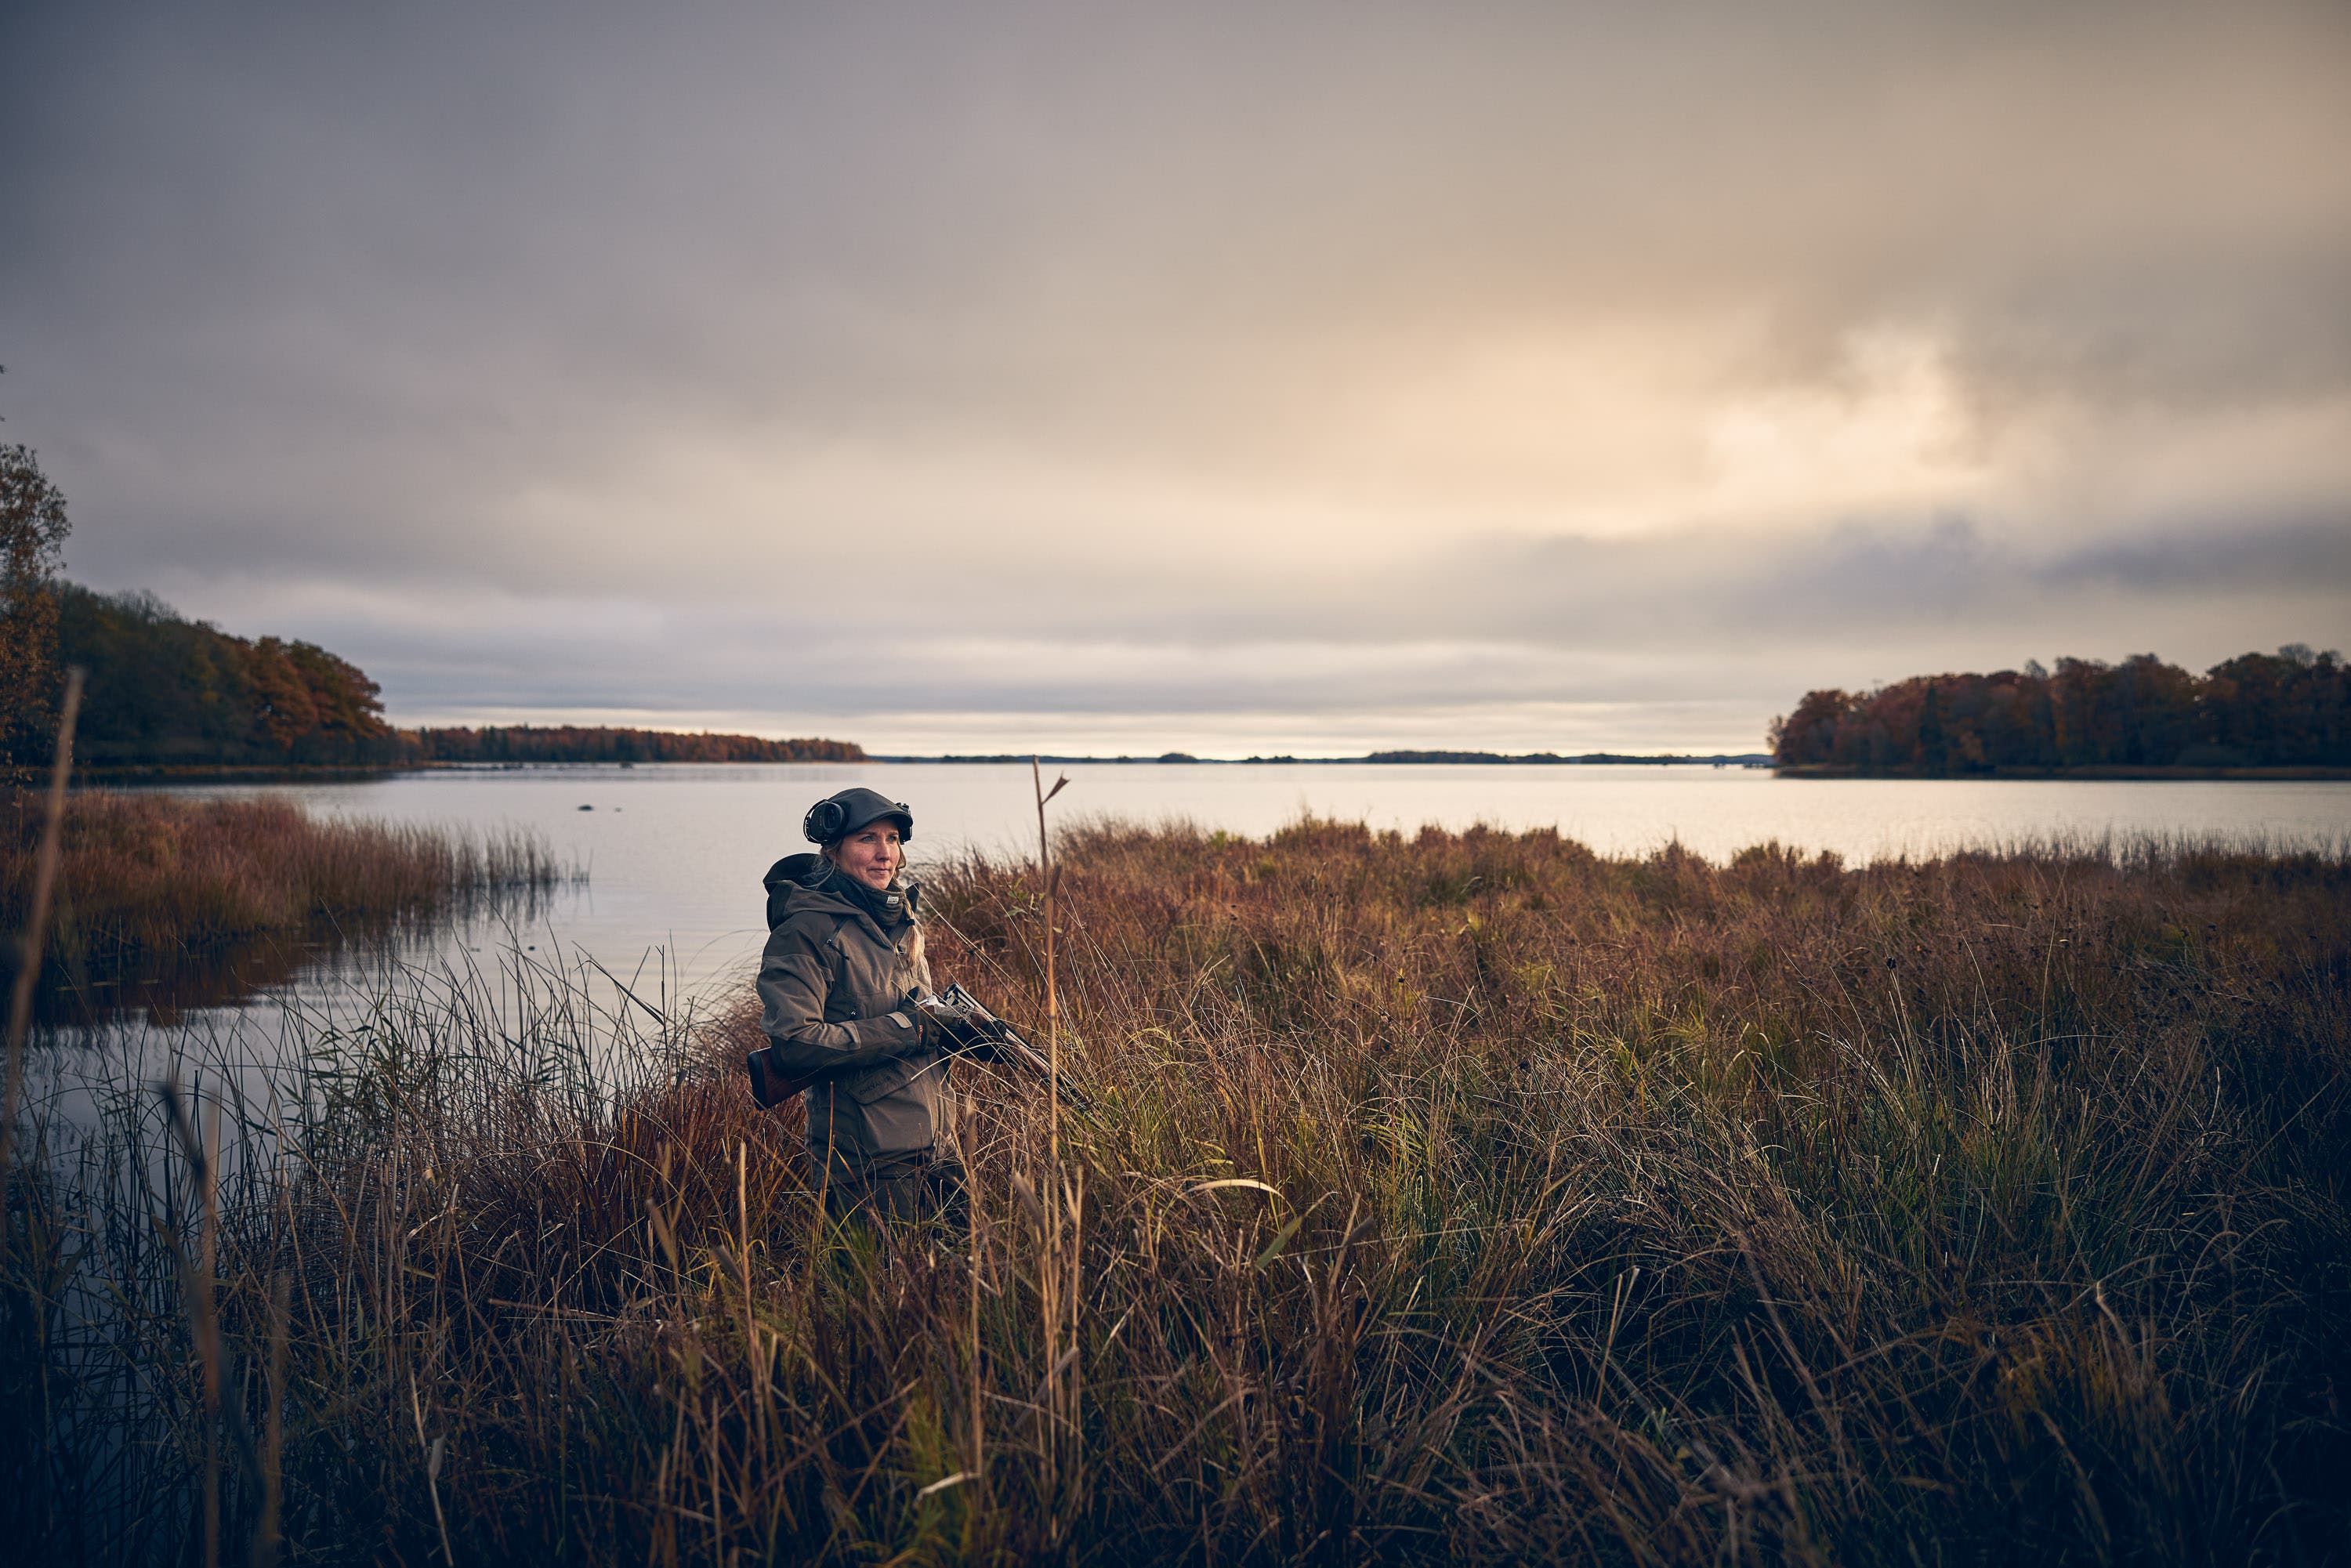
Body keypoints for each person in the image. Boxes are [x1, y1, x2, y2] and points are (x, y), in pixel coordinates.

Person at [752, 787, 966, 1231]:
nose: (884, 853)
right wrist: (912, 1029)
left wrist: (960, 1031)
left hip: (940, 1151)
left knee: (961, 1291)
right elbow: (794, 1045)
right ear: (833, 850)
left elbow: (912, 1013)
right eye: (867, 839)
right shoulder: (804, 931)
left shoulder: (900, 919)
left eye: (892, 839)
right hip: (868, 1171)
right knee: (875, 1295)